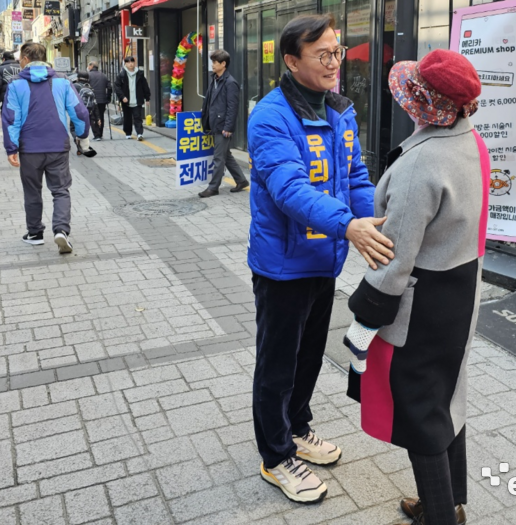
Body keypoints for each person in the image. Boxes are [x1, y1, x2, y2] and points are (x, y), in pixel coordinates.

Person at [247, 13, 394, 505]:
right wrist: (347, 226)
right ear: (292, 61)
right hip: (283, 265)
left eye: (339, 52)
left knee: (309, 355)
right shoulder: (270, 117)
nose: (336, 63)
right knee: (277, 363)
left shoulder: (340, 111)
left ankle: (298, 426)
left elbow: (355, 180)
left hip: (323, 259)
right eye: (323, 55)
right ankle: (275, 456)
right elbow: (289, 188)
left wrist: (380, 225)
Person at [345, 49, 489, 525]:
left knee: (418, 410)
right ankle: (450, 502)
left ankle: (440, 517)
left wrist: (363, 320)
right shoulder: (472, 143)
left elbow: (394, 258)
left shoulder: (420, 165)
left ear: (425, 103)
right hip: (460, 290)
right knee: (447, 398)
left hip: (420, 304)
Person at [2, 42, 91, 254]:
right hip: (57, 146)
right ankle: (61, 230)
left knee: (32, 191)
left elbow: (11, 119)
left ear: (24, 59)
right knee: (60, 190)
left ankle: (35, 233)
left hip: (29, 148)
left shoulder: (15, 85)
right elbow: (80, 112)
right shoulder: (62, 81)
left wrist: (11, 148)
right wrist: (82, 135)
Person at [198, 49, 249, 198]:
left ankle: (213, 187)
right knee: (226, 155)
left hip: (223, 126)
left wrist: (228, 127)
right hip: (214, 123)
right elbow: (210, 100)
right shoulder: (214, 79)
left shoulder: (230, 83)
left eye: (214, 62)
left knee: (219, 157)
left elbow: (233, 108)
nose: (212, 65)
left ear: (223, 64)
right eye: (212, 61)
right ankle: (241, 180)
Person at [113, 56, 150, 140]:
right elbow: (117, 87)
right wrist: (122, 97)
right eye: (128, 62)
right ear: (125, 64)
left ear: (134, 63)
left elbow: (145, 86)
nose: (130, 64)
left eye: (132, 62)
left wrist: (147, 98)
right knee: (127, 118)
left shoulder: (140, 74)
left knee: (138, 117)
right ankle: (128, 133)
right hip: (126, 101)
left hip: (137, 100)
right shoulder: (122, 75)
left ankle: (139, 133)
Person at [87, 61, 112, 141]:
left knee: (93, 117)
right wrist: (108, 97)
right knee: (101, 116)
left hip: (92, 100)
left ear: (91, 66)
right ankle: (100, 134)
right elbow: (110, 87)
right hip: (102, 100)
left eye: (89, 65)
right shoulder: (103, 75)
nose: (88, 67)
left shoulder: (88, 75)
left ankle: (96, 134)